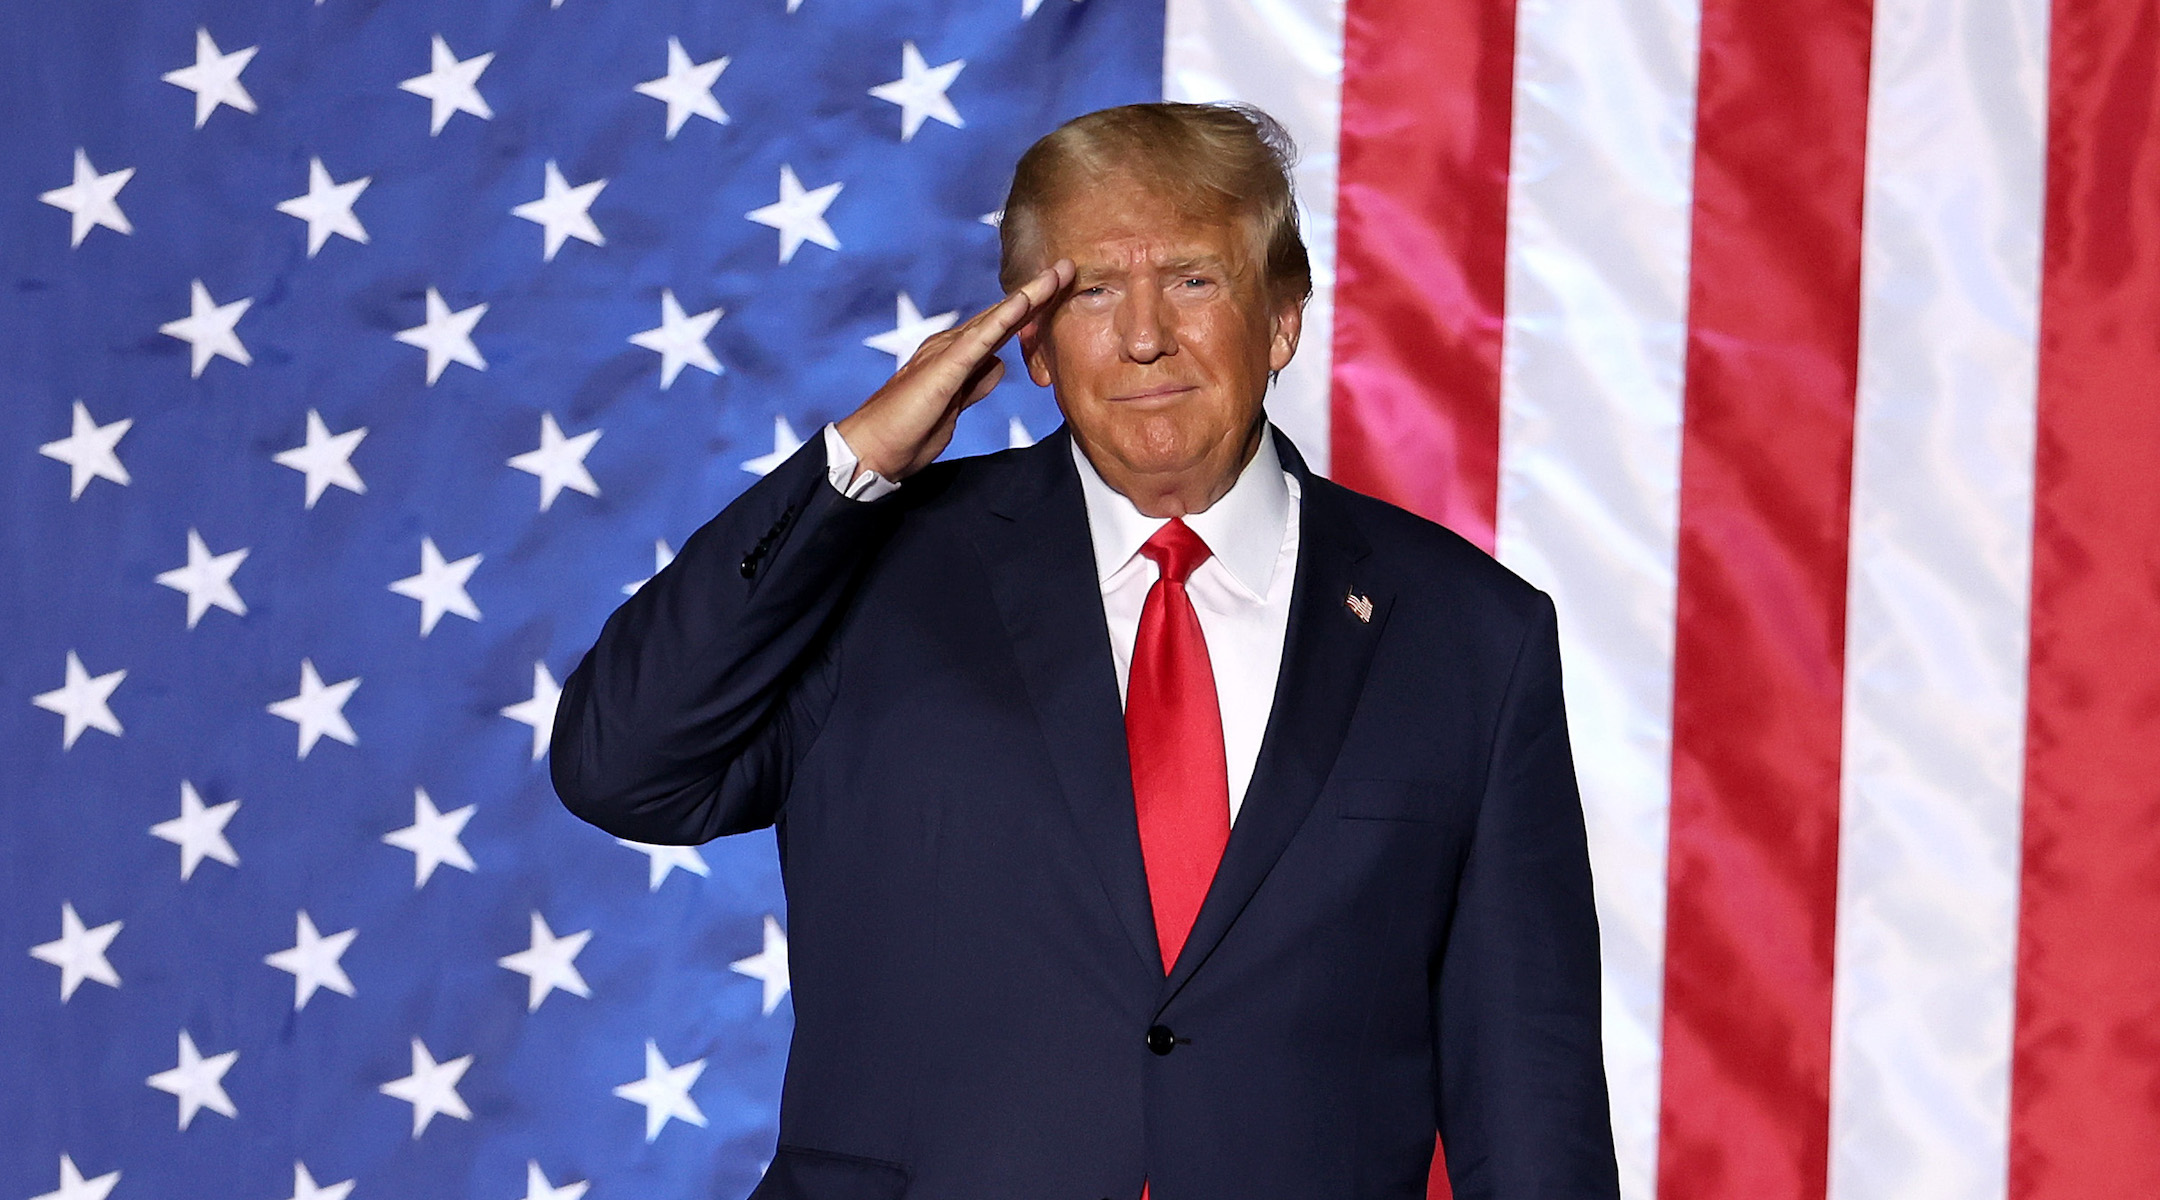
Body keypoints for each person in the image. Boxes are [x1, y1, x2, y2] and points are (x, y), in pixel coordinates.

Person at [552, 102, 1619, 1200]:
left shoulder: (1468, 632)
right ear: (1033, 347)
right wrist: (856, 461)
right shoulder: (869, 570)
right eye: (1093, 291)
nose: (1145, 334)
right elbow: (621, 768)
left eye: (1196, 280)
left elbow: (1529, 1093)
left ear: (1284, 319)